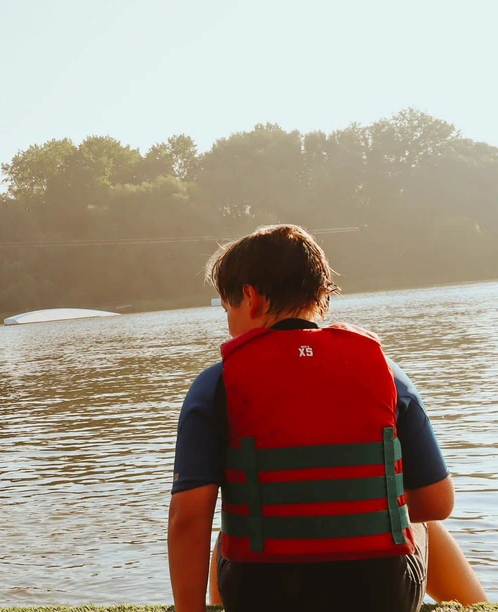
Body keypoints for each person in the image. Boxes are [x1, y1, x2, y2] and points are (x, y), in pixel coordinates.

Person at [167, 225, 488, 612]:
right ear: (321, 298)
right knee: (407, 518)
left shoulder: (215, 383)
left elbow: (188, 518)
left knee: (233, 534)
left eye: (227, 309)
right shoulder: (386, 370)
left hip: (262, 595)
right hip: (380, 594)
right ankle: (481, 606)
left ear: (249, 298)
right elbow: (438, 502)